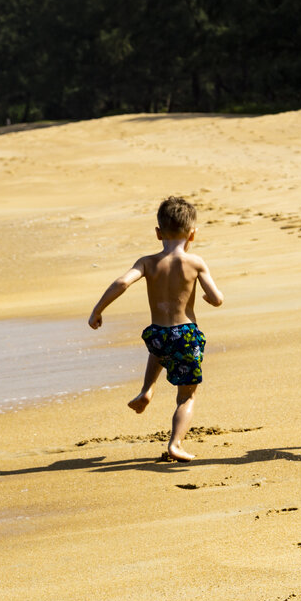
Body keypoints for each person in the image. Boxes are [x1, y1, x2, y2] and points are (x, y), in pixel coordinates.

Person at [89, 196, 224, 461]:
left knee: (160, 350)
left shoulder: (147, 262)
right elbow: (217, 298)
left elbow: (122, 282)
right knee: (186, 396)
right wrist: (209, 299)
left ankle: (147, 390)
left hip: (157, 333)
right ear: (193, 234)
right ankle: (175, 443)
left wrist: (98, 309)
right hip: (186, 334)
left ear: (158, 233)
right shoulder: (195, 262)